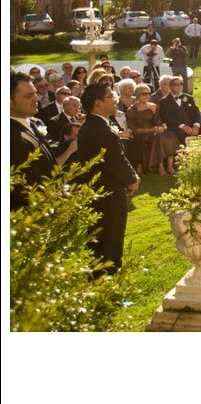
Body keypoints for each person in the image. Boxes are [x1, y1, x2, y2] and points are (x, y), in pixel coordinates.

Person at [76, 82, 140, 273]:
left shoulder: (94, 125)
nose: (115, 99)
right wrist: (132, 179)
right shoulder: (100, 129)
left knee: (104, 238)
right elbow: (115, 160)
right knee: (109, 238)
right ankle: (106, 278)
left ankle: (103, 277)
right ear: (97, 103)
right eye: (111, 96)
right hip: (107, 193)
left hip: (101, 191)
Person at [10, 72, 69, 209]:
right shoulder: (12, 137)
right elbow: (23, 188)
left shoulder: (34, 122)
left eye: (35, 93)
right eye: (29, 96)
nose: (37, 99)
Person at [126, 83, 179, 175]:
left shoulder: (153, 106)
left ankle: (170, 165)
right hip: (142, 134)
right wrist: (151, 130)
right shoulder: (131, 111)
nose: (147, 96)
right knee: (158, 137)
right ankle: (160, 166)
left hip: (155, 131)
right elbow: (134, 129)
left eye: (148, 93)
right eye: (144, 94)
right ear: (138, 95)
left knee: (169, 134)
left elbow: (159, 122)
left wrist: (161, 127)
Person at [159, 76, 201, 145]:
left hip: (192, 126)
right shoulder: (164, 101)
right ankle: (187, 153)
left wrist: (196, 125)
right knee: (180, 134)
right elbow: (167, 118)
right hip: (177, 128)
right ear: (170, 87)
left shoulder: (189, 98)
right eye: (176, 84)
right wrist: (183, 126)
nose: (179, 86)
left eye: (181, 84)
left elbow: (197, 113)